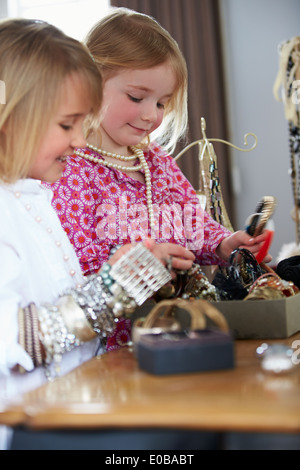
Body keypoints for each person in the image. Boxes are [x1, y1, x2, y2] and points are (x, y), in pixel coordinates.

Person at [0, 18, 195, 449]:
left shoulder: (35, 200)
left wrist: (131, 271)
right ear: (8, 119)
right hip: (28, 427)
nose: (78, 141)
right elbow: (20, 341)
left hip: (78, 400)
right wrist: (115, 287)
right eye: (67, 125)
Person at [47, 8, 271, 346]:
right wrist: (142, 264)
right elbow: (78, 266)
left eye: (163, 103)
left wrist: (225, 245)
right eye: (137, 97)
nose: (151, 115)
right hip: (112, 349)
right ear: (90, 83)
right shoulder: (72, 170)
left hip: (179, 334)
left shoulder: (158, 161)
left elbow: (195, 226)